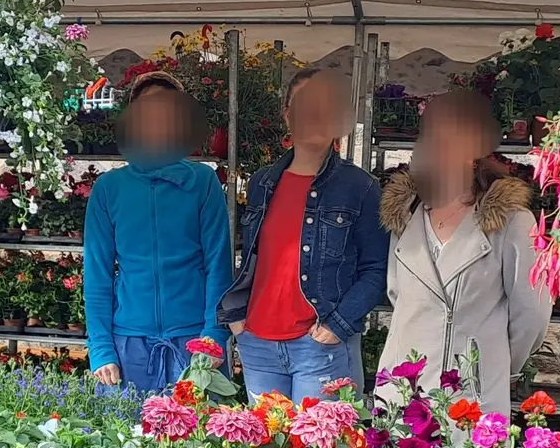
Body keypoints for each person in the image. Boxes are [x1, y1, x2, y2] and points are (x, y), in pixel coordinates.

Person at [376, 88, 551, 413]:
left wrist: (492, 363)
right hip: (404, 390)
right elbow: (397, 294)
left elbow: (532, 313)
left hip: (471, 395)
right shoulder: (406, 214)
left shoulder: (512, 222)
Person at [219, 69, 388, 403]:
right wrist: (238, 320)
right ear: (287, 115)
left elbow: (377, 269)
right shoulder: (262, 183)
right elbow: (253, 259)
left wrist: (336, 326)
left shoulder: (361, 188)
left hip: (317, 346)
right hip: (258, 345)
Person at [84, 71, 232, 391]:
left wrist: (214, 336)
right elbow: (97, 274)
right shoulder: (109, 188)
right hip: (128, 348)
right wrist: (100, 349)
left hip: (195, 345)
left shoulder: (203, 182)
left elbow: (218, 266)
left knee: (199, 441)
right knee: (121, 439)